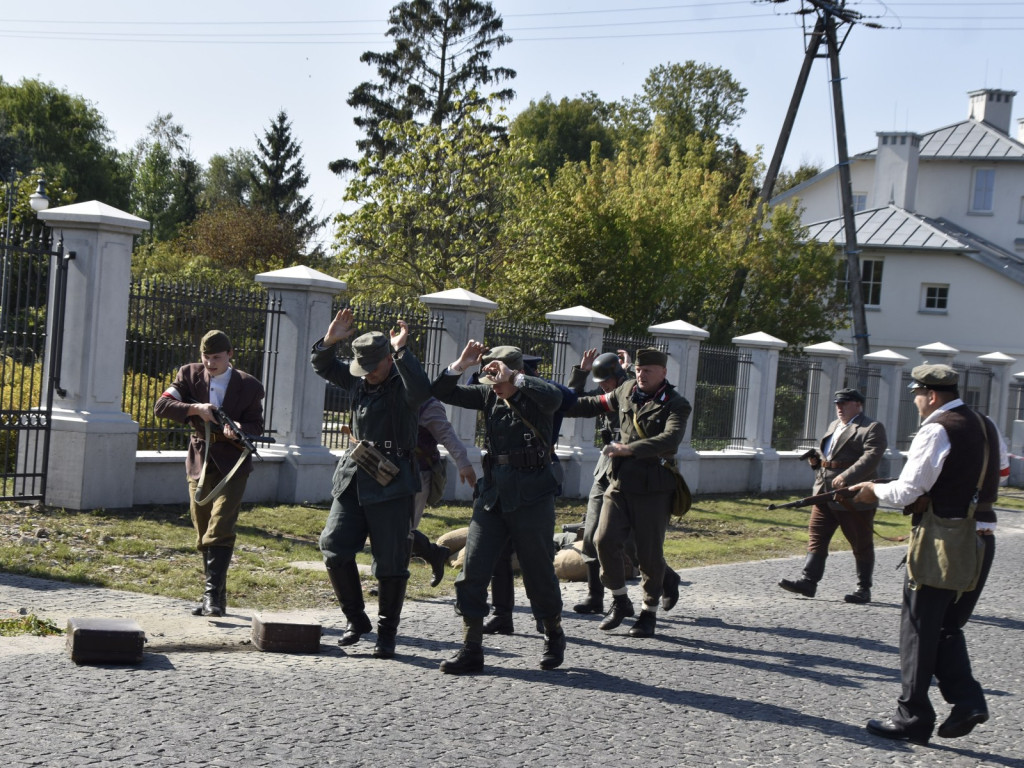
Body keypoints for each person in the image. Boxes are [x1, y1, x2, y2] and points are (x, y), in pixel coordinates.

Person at [850, 364, 1004, 745]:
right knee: (948, 626)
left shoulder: (937, 428)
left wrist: (873, 490)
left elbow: (906, 491)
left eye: (917, 396)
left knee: (919, 629)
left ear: (930, 395)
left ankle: (913, 717)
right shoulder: (985, 423)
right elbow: (999, 472)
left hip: (944, 540)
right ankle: (967, 701)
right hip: (983, 537)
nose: (916, 403)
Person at [432, 342, 566, 674]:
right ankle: (471, 647)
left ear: (517, 371)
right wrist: (460, 365)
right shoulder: (488, 395)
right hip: (492, 495)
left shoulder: (536, 395)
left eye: (499, 373)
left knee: (538, 570)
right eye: (490, 373)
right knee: (473, 569)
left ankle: (552, 632)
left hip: (532, 495)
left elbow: (557, 398)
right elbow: (440, 392)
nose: (493, 379)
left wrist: (516, 381)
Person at [310, 309, 431, 660]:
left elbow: (422, 391)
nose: (369, 375)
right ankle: (356, 620)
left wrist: (402, 351)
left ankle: (387, 633)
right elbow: (321, 366)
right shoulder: (357, 380)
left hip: (392, 480)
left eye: (375, 366)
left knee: (391, 560)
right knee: (333, 545)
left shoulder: (403, 384)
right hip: (354, 475)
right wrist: (330, 341)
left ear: (389, 361)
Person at [566, 347, 691, 639]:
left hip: (653, 487)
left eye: (648, 371)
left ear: (663, 373)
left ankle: (648, 613)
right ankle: (620, 600)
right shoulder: (625, 391)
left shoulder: (676, 403)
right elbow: (586, 405)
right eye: (638, 370)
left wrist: (628, 449)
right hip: (619, 484)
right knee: (602, 540)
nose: (641, 375)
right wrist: (564, 392)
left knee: (648, 554)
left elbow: (670, 439)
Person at [154, 329, 265, 618]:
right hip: (200, 461)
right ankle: (214, 596)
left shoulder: (249, 385)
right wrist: (195, 409)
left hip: (233, 463)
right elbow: (162, 406)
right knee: (202, 530)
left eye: (216, 357)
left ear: (230, 355)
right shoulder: (189, 375)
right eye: (206, 356)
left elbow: (257, 426)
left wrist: (238, 429)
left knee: (220, 527)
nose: (210, 363)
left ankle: (211, 597)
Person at [483, 352, 576, 636]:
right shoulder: (494, 396)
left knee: (535, 556)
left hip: (534, 478)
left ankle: (546, 618)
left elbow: (567, 397)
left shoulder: (540, 394)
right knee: (499, 554)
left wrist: (520, 378)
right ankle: (501, 613)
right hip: (500, 484)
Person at [778, 388, 887, 603]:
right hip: (823, 493)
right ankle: (808, 582)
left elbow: (872, 456)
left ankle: (863, 588)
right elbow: (830, 457)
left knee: (860, 542)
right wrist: (817, 462)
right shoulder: (834, 425)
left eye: (844, 403)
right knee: (817, 538)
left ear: (858, 404)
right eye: (837, 403)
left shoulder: (871, 427)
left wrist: (848, 476)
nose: (839, 407)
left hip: (853, 496)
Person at [411, 397, 477, 587]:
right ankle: (434, 553)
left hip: (416, 476)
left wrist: (463, 463)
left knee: (404, 532)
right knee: (383, 528)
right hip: (386, 473)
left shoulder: (427, 405)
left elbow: (448, 435)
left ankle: (388, 584)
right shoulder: (386, 394)